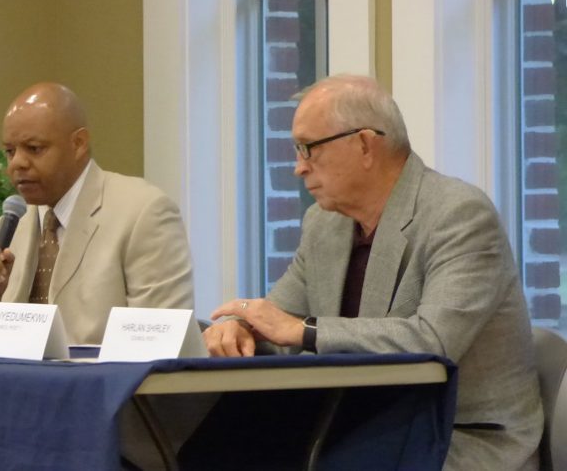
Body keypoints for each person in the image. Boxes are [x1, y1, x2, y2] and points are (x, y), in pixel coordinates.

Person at [203, 74, 543, 470]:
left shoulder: (459, 214)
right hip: (363, 424)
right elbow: (278, 320)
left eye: (308, 149)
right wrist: (238, 327)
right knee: (221, 448)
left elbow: (433, 340)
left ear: (364, 144)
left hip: (459, 435)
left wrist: (304, 330)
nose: (298, 168)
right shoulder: (323, 224)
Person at [0, 82, 194, 345]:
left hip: (113, 383)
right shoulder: (7, 230)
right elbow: (0, 350)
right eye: (10, 151)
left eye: (34, 148)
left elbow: (160, 344)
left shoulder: (144, 212)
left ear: (78, 144)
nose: (17, 163)